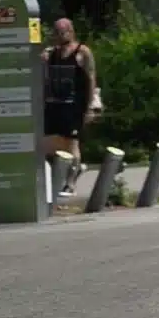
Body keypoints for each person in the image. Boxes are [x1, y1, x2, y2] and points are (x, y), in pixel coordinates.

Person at [41, 18, 101, 197]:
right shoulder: (51, 54)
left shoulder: (82, 52)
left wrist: (90, 107)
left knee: (72, 144)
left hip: (74, 106)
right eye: (57, 31)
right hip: (54, 104)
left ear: (71, 31)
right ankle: (73, 169)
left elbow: (91, 79)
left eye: (63, 31)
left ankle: (70, 183)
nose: (59, 35)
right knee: (48, 145)